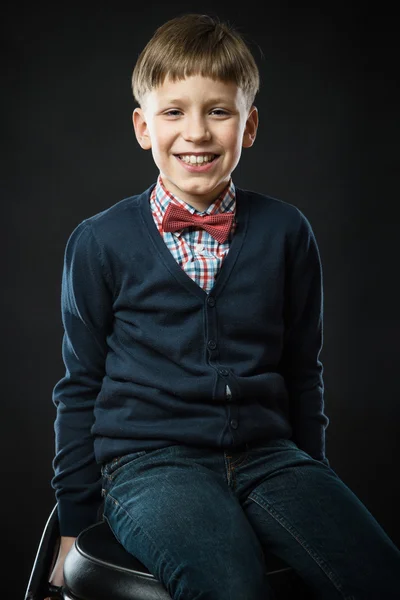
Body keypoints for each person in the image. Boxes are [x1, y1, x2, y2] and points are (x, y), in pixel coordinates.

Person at [48, 13, 400, 599]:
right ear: (142, 127)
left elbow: (301, 370)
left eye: (218, 111)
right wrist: (71, 524)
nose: (197, 132)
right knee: (230, 585)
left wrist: (313, 476)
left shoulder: (287, 232)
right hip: (150, 465)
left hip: (270, 458)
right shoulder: (99, 241)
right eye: (173, 112)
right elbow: (79, 386)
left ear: (249, 125)